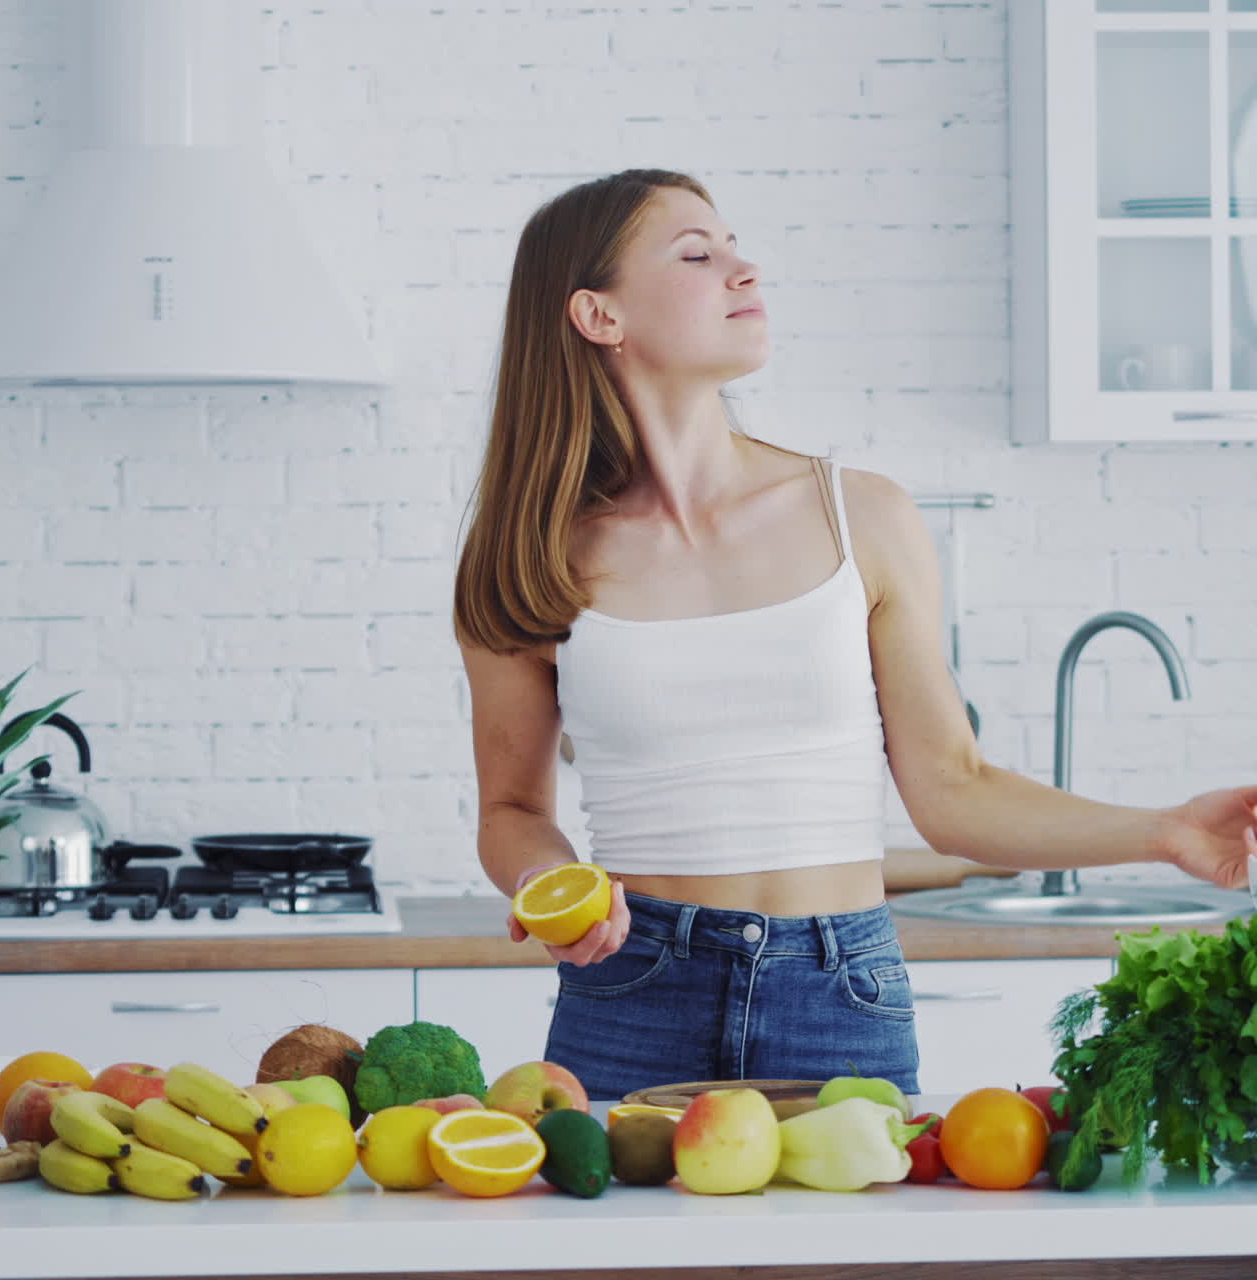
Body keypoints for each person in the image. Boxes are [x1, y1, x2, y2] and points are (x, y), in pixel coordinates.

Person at [452, 167, 1257, 1101]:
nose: (744, 269)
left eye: (735, 246)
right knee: (628, 1254)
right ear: (600, 316)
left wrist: (1165, 832)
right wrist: (551, 889)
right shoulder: (526, 554)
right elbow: (510, 809)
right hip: (632, 988)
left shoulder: (860, 516)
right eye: (698, 254)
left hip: (838, 988)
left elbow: (953, 790)